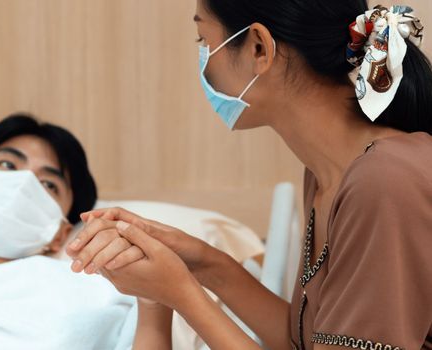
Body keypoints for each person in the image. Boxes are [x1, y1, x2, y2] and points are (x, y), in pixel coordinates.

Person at [66, 1, 432, 349]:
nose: (203, 59)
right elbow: (304, 342)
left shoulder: (384, 183)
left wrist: (179, 293)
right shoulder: (327, 174)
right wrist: (203, 261)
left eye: (204, 41)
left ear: (259, 48)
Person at [0, 114, 154, 350]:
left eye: (48, 184)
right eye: (7, 164)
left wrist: (153, 295)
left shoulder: (95, 293)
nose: (24, 183)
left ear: (59, 235)